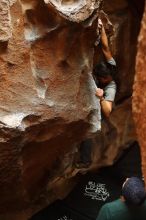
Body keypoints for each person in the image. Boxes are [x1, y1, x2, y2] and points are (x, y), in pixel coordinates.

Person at [75, 19, 117, 168]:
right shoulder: (106, 67)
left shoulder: (110, 86)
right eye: (104, 78)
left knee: (90, 127)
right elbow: (105, 47)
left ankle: (85, 161)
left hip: (103, 102)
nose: (107, 79)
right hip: (95, 90)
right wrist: (101, 29)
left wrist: (101, 98)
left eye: (107, 78)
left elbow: (107, 111)